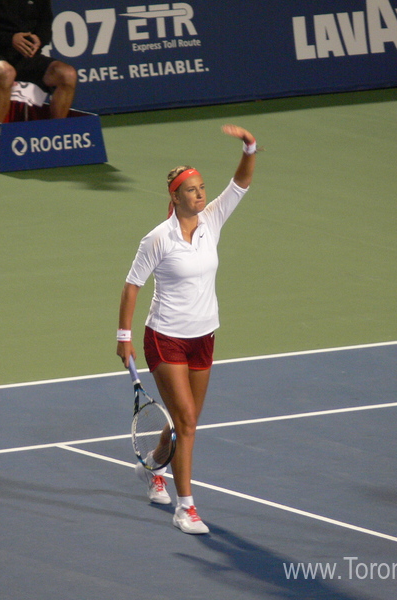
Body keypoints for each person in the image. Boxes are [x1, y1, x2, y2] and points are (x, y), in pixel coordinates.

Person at [116, 124, 258, 535]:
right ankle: (186, 507)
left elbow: (241, 183)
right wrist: (124, 338)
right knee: (189, 421)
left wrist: (249, 147)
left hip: (204, 337)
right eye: (192, 190)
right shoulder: (156, 239)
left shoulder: (212, 220)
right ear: (175, 197)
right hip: (165, 338)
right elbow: (131, 286)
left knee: (185, 421)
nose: (200, 194)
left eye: (201, 188)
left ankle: (153, 465)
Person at [0, 0, 77, 123]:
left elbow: (46, 28)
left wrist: (39, 39)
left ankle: (56, 132)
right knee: (6, 73)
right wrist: (10, 39)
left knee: (67, 74)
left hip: (28, 58)